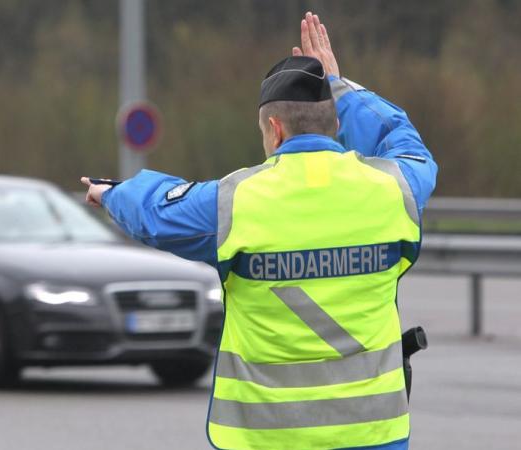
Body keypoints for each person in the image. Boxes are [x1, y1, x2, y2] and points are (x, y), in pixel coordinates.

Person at [81, 12, 436, 450]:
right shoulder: (392, 190)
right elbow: (406, 143)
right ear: (336, 124)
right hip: (373, 434)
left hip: (266, 437)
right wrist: (342, 90)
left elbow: (156, 211)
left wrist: (110, 193)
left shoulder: (235, 202)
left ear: (274, 128)